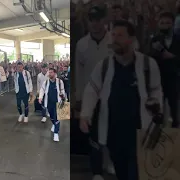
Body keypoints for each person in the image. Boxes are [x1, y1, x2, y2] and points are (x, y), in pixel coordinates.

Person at [80, 20, 162, 180]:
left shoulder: (147, 64)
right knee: (121, 169)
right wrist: (85, 114)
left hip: (139, 130)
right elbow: (92, 90)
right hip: (113, 131)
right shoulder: (103, 66)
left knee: (135, 171)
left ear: (131, 39)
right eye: (113, 35)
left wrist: (157, 115)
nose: (115, 39)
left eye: (120, 35)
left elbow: (156, 90)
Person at [74, 6, 115, 178]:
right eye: (92, 20)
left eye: (99, 20)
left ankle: (111, 162)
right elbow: (79, 72)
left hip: (112, 94)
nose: (96, 24)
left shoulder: (114, 40)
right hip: (91, 96)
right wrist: (79, 98)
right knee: (94, 135)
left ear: (104, 21)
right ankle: (97, 170)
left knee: (112, 131)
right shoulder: (82, 44)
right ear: (88, 22)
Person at [150, 12, 180, 128]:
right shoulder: (154, 40)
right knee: (158, 109)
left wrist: (172, 57)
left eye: (168, 23)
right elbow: (149, 58)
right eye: (162, 23)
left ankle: (175, 134)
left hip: (174, 78)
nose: (165, 25)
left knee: (174, 109)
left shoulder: (178, 39)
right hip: (158, 79)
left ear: (173, 24)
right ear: (158, 25)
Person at [38, 68, 65, 142]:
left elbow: (62, 90)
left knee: (57, 118)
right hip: (49, 103)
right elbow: (42, 90)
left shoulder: (60, 82)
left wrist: (62, 95)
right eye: (49, 72)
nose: (50, 74)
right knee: (52, 117)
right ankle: (54, 124)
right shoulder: (46, 82)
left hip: (58, 103)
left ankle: (56, 133)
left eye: (51, 72)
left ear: (55, 73)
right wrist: (40, 97)